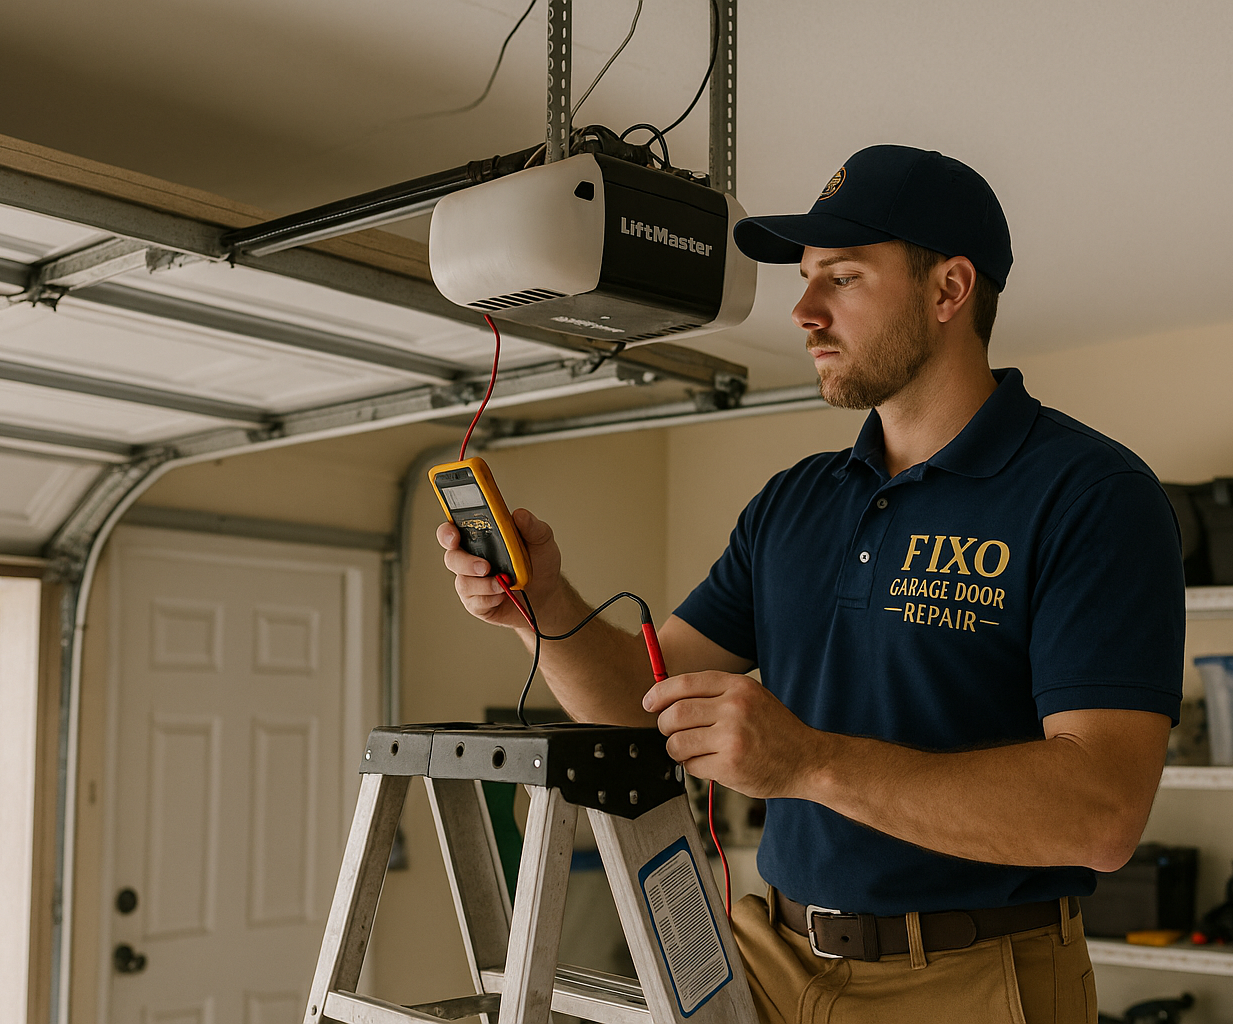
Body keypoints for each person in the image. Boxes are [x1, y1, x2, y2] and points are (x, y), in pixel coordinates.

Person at [437, 144, 1184, 1024]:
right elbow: (644, 701)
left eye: (842, 277)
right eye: (805, 277)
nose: (802, 309)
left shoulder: (1091, 496)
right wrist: (544, 608)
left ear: (949, 290)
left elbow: (1101, 815)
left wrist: (812, 763)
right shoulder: (796, 502)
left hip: (969, 980)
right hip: (768, 959)